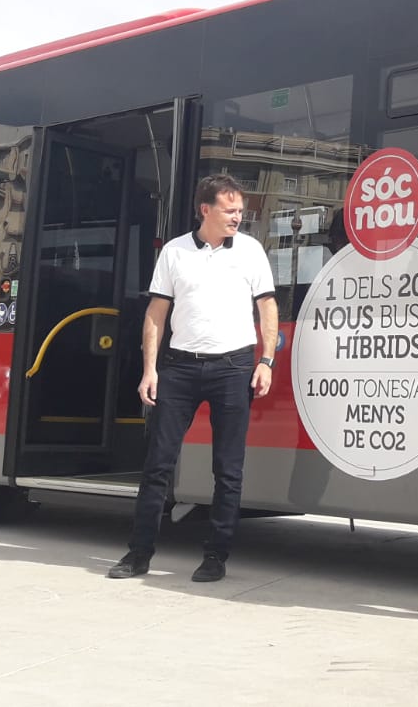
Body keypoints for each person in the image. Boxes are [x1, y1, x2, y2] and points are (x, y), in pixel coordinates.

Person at [107, 173, 278, 583]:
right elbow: (156, 314)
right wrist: (150, 370)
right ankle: (138, 554)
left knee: (228, 469)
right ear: (206, 210)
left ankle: (216, 556)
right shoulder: (174, 252)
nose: (239, 216)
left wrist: (266, 360)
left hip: (234, 367)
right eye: (230, 209)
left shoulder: (252, 251)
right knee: (158, 465)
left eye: (241, 210)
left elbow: (267, 307)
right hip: (180, 367)